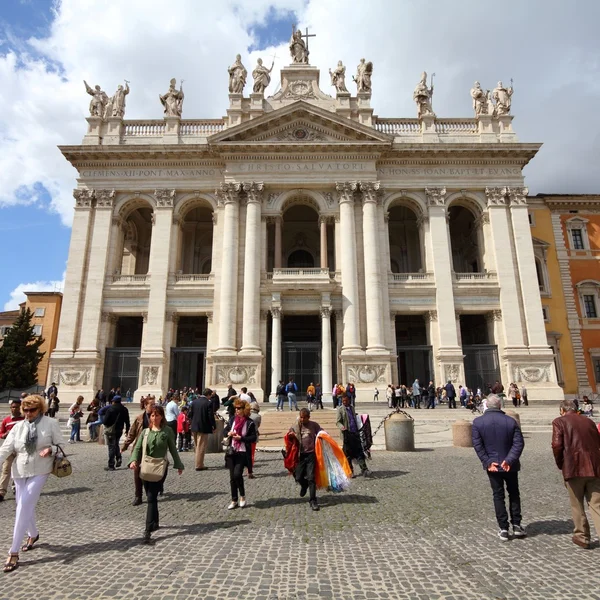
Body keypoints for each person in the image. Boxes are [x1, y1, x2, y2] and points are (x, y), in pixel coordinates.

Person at [0, 394, 63, 572]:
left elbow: (62, 445)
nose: (28, 413)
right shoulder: (18, 426)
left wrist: (51, 449)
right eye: (25, 410)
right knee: (22, 504)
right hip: (19, 470)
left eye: (32, 410)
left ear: (40, 409)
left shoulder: (51, 423)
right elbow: (6, 448)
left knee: (23, 505)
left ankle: (13, 551)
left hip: (41, 469)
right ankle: (33, 534)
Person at [472, 394, 525, 541]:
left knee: (498, 495)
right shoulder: (510, 421)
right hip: (510, 466)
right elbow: (519, 443)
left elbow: (478, 445)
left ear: (486, 406)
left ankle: (503, 528)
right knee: (514, 493)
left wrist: (488, 461)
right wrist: (509, 460)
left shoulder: (478, 422)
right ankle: (517, 525)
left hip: (493, 466)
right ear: (500, 406)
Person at [129, 405, 183, 544]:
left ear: (162, 417)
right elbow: (138, 448)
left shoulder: (167, 431)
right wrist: (133, 460)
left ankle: (147, 530)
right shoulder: (145, 432)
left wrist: (178, 464)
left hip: (160, 468)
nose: (154, 418)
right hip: (146, 467)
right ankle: (155, 522)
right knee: (150, 496)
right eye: (152, 415)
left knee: (151, 497)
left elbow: (173, 449)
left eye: (157, 415)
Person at [551, 399, 600, 549]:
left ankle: (582, 537)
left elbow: (557, 445)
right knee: (597, 505)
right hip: (594, 468)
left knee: (577, 504)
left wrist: (561, 464)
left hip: (574, 468)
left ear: (562, 410)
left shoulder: (559, 422)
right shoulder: (588, 421)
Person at [122, 395, 156, 506]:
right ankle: (138, 496)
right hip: (139, 448)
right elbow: (132, 434)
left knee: (149, 472)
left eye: (154, 404)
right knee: (137, 473)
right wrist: (124, 446)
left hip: (152, 449)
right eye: (152, 404)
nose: (154, 406)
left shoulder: (157, 417)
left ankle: (150, 491)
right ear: (145, 405)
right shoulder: (139, 418)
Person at [224, 398, 257, 509]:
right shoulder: (233, 419)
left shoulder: (249, 422)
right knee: (232, 477)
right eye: (236, 408)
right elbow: (225, 430)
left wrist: (241, 438)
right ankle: (234, 500)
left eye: (239, 408)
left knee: (238, 474)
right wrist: (228, 432)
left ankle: (242, 496)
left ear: (244, 409)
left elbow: (253, 437)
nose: (237, 410)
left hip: (242, 452)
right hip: (232, 451)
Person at [289, 408, 322, 511]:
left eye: (304, 417)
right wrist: (291, 436)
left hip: (311, 454)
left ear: (308, 417)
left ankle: (313, 500)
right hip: (300, 455)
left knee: (311, 477)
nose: (302, 419)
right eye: (301, 417)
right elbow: (289, 435)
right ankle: (304, 485)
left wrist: (322, 436)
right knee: (298, 477)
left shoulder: (314, 425)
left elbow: (321, 432)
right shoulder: (296, 425)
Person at [337, 395, 371, 478]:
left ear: (349, 400)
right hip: (347, 434)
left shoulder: (352, 408)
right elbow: (338, 422)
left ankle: (364, 469)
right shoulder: (340, 409)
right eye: (343, 401)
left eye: (346, 400)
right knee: (348, 454)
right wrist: (342, 427)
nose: (344, 402)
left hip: (355, 433)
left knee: (359, 452)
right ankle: (350, 471)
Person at [0, 399, 24, 502]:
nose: (15, 409)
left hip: (21, 449)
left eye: (17, 407)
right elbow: (1, 434)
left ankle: (16, 489)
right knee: (6, 470)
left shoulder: (24, 419)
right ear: (10, 408)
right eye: (13, 407)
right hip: (9, 449)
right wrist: (4, 435)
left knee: (19, 470)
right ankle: (1, 492)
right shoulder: (6, 420)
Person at [189, 388, 216, 472]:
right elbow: (210, 416)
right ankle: (199, 465)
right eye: (210, 395)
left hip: (194, 426)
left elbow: (190, 414)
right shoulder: (208, 403)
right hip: (203, 427)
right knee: (201, 447)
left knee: (197, 446)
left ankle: (199, 463)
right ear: (208, 395)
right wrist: (214, 426)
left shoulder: (194, 402)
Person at [102, 395, 130, 471]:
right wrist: (127, 431)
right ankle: (119, 457)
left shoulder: (110, 409)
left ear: (113, 401)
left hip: (111, 430)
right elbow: (127, 421)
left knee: (111, 447)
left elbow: (105, 421)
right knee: (115, 444)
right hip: (119, 430)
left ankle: (111, 465)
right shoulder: (124, 409)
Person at [247, 403, 261, 479]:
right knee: (251, 454)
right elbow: (258, 426)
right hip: (253, 436)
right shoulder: (258, 416)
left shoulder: (247, 415)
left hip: (245, 437)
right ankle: (249, 471)